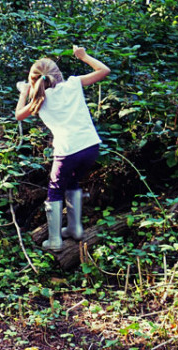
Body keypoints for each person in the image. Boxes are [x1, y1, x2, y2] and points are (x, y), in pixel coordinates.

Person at [15, 45, 110, 251]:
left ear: (34, 80)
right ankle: (75, 229)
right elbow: (104, 71)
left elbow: (18, 115)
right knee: (74, 181)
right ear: (58, 74)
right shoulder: (74, 84)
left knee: (55, 191)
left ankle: (55, 240)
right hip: (91, 146)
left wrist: (24, 92)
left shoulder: (39, 100)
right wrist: (84, 57)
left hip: (67, 152)